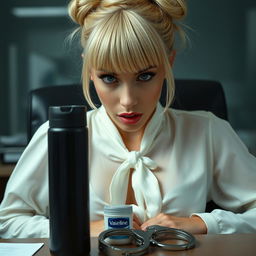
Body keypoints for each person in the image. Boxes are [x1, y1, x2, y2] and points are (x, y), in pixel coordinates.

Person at [0, 0, 256, 238]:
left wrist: (201, 223)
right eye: (109, 78)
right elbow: (8, 221)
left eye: (144, 77)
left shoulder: (207, 131)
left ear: (169, 63)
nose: (127, 100)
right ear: (89, 71)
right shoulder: (55, 135)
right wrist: (83, 229)